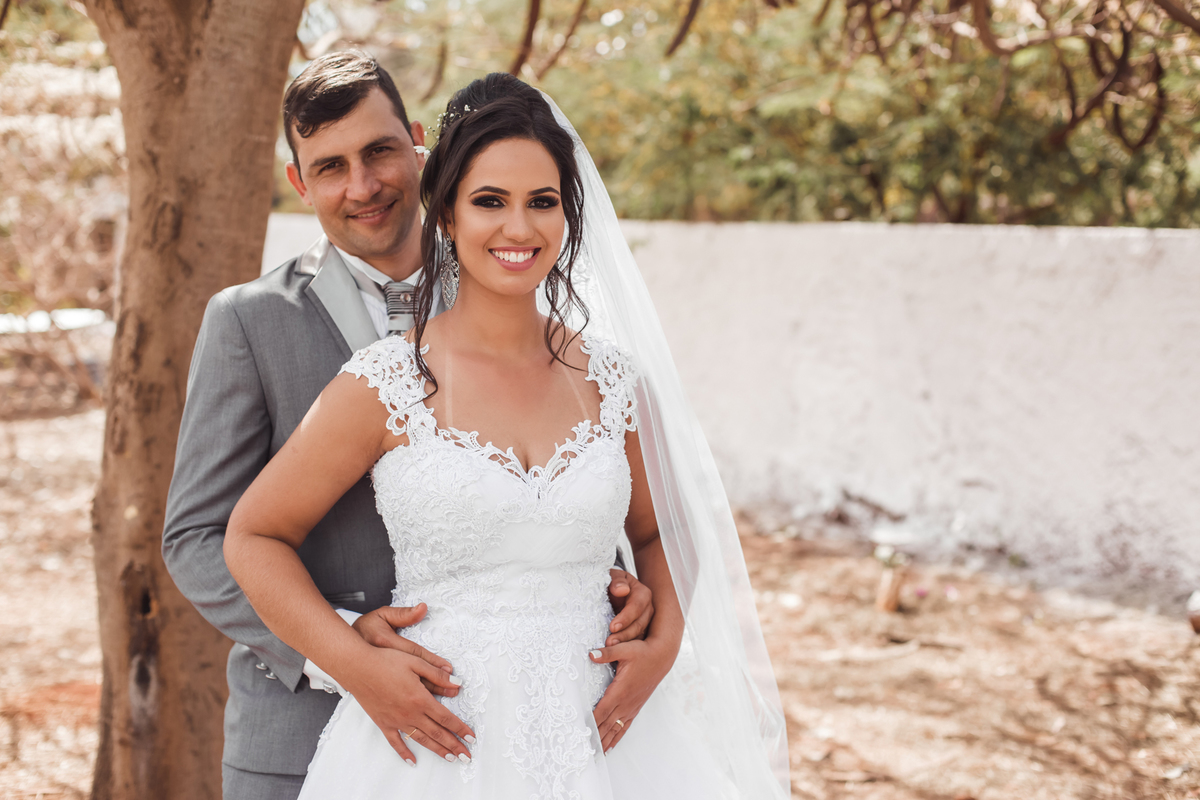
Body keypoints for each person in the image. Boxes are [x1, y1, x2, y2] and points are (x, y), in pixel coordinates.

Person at [223, 73, 791, 798]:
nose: (519, 229)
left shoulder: (614, 382)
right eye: (490, 201)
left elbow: (665, 531)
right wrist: (357, 666)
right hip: (436, 744)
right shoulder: (383, 384)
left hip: (612, 743)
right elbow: (252, 537)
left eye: (542, 202)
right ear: (448, 213)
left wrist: (664, 642)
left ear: (568, 216)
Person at [161, 52, 652, 800]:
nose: (362, 187)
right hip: (302, 730)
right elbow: (199, 538)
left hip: (552, 719)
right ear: (300, 183)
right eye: (330, 167)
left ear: (419, 149)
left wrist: (619, 588)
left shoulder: (507, 268)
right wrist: (345, 651)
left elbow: (576, 475)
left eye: (380, 151)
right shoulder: (249, 322)